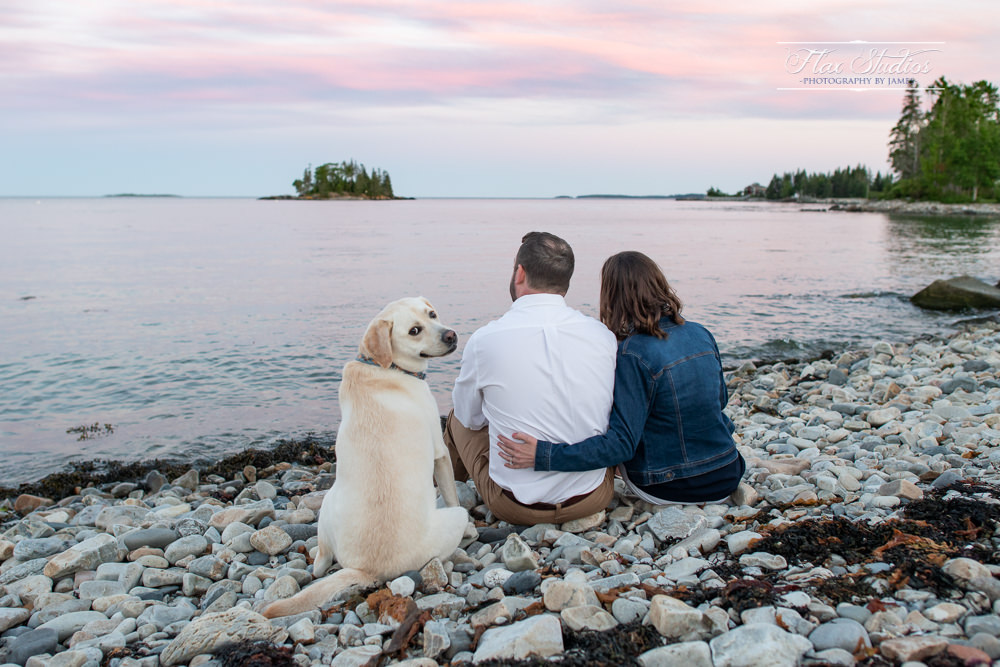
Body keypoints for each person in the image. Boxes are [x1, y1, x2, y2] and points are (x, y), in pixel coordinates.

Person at [497, 250, 745, 505]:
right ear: (659, 284)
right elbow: (720, 401)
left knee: (609, 421)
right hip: (727, 471)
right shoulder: (701, 333)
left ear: (612, 295)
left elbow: (621, 445)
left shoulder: (632, 354)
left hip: (671, 485)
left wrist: (543, 455)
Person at [445, 231, 618, 525]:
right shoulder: (603, 335)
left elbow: (470, 419)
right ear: (566, 281)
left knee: (455, 417)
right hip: (592, 496)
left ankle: (450, 495)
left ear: (520, 273)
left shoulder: (486, 340)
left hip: (517, 506)